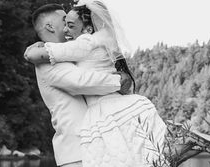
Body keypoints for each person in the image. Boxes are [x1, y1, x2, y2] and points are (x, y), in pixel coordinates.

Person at [25, 1, 167, 166]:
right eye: (64, 20)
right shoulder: (47, 62)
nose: (67, 26)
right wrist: (119, 81)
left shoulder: (68, 52)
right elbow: (81, 82)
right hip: (75, 153)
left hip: (94, 145)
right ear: (50, 27)